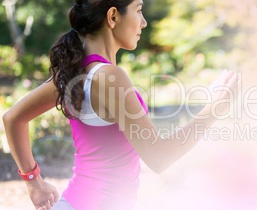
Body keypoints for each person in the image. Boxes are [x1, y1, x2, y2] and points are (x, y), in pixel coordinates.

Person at [2, 0, 239, 209]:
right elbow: (159, 157)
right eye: (139, 10)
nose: (144, 22)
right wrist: (215, 109)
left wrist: (34, 183)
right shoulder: (109, 77)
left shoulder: (75, 71)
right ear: (113, 16)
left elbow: (13, 118)